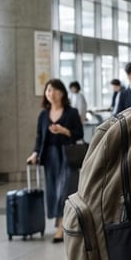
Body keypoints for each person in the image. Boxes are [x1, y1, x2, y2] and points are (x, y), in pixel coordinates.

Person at [26, 78, 84, 243]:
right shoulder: (43, 114)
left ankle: (61, 227)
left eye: (56, 90)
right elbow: (39, 137)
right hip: (49, 156)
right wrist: (35, 153)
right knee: (52, 191)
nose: (52, 94)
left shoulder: (71, 112)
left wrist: (64, 131)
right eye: (49, 90)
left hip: (67, 155)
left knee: (64, 190)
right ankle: (61, 222)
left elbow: (78, 134)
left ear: (63, 93)